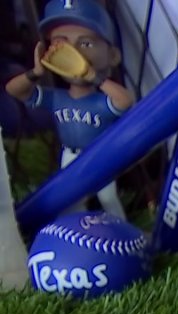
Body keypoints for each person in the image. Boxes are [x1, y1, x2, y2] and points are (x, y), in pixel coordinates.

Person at [4, 0, 134, 219]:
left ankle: (123, 230)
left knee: (108, 198)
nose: (73, 53)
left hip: (101, 153)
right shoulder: (57, 98)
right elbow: (13, 90)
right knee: (71, 201)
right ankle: (73, 233)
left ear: (113, 55)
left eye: (85, 44)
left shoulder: (101, 100)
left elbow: (124, 101)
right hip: (69, 155)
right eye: (60, 44)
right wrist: (35, 72)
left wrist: (93, 76)